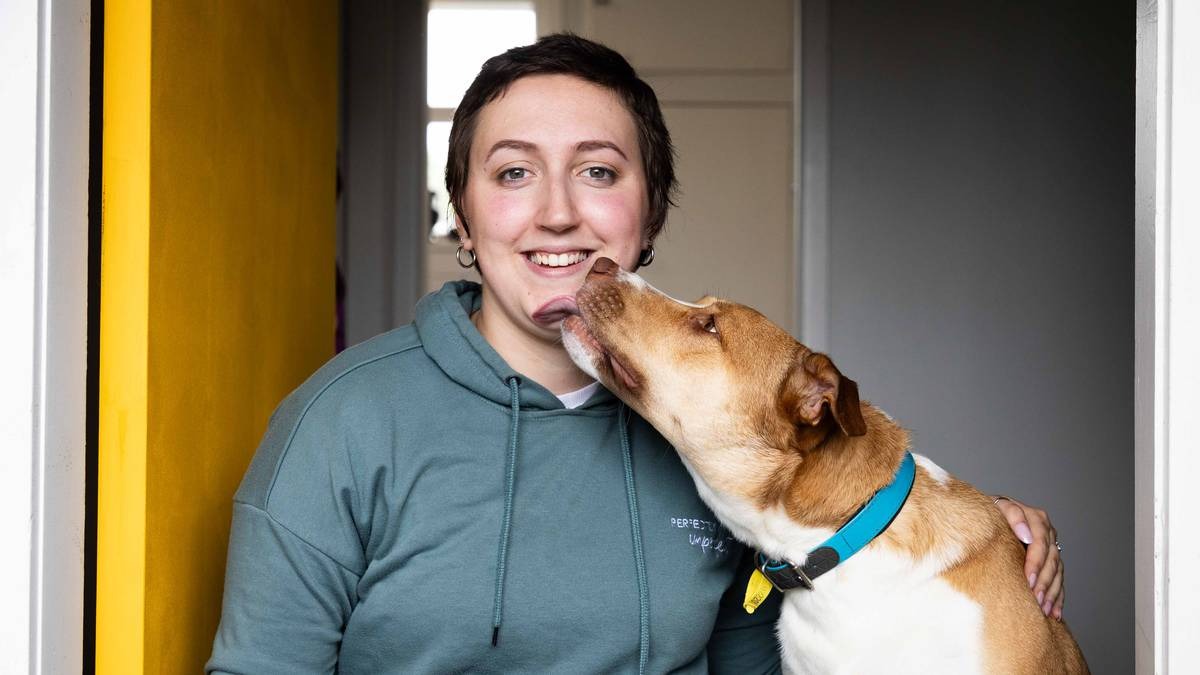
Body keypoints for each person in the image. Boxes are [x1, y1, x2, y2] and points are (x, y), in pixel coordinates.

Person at [206, 33, 1064, 674]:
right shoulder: (339, 425)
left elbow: (800, 592)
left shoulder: (718, 449)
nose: (556, 213)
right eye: (512, 173)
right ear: (462, 217)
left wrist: (974, 535)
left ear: (649, 213)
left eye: (598, 171)